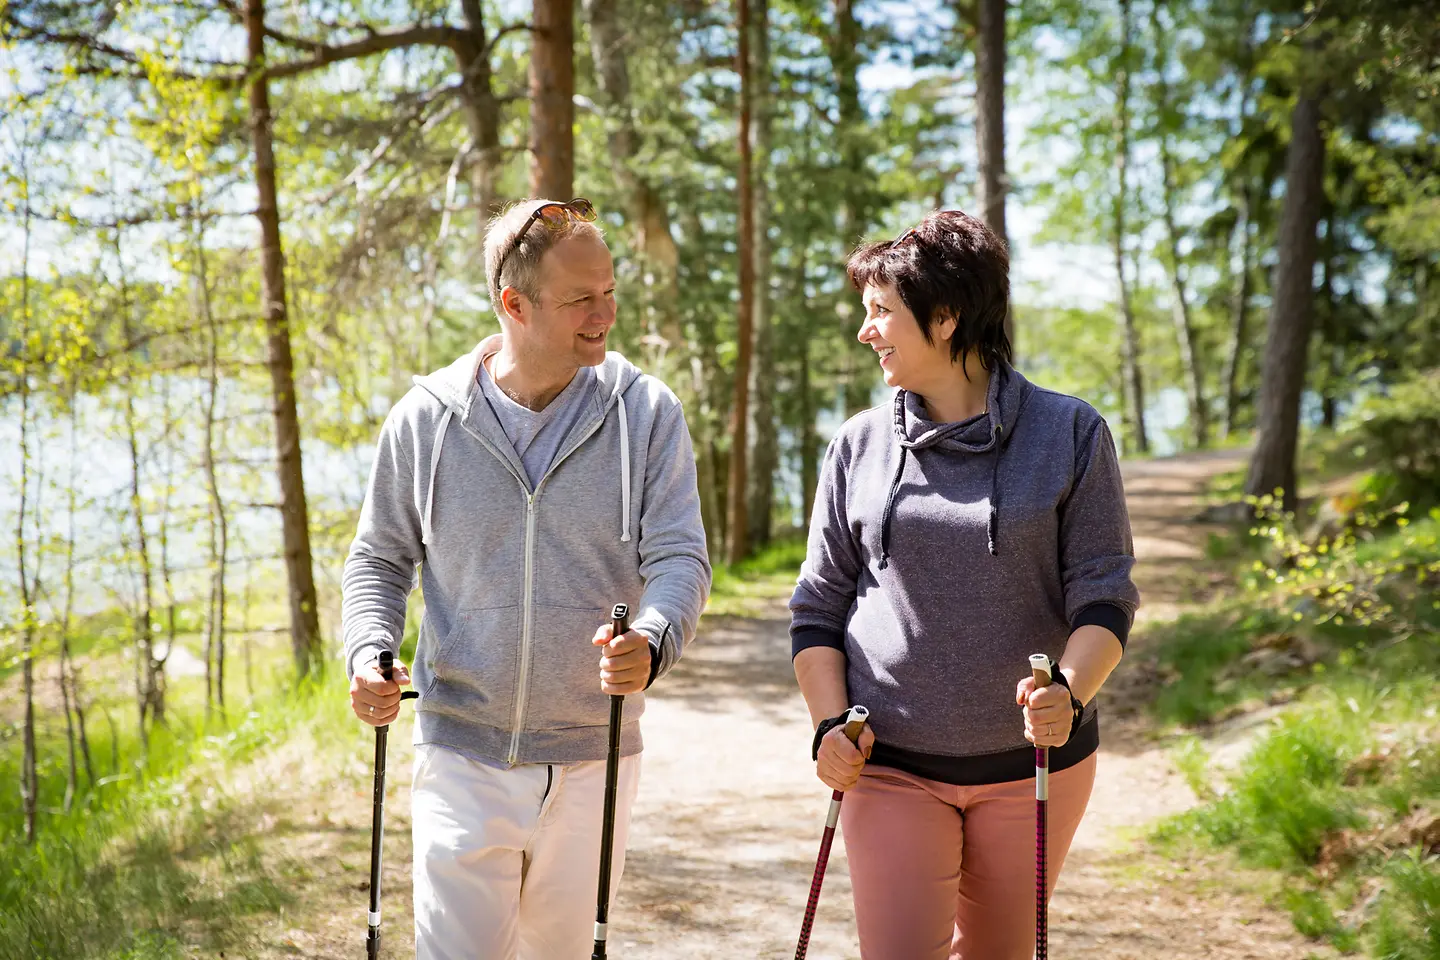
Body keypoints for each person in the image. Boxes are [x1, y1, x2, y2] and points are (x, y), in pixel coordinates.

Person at [341, 198, 711, 960]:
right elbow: (378, 560)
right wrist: (366, 652)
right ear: (514, 304)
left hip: (595, 755)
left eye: (610, 291)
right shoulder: (425, 420)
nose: (606, 313)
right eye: (582, 298)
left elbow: (679, 555)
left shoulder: (645, 413)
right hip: (462, 753)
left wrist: (653, 637)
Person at [789, 209, 1140, 960]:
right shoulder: (858, 445)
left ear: (945, 318)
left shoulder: (1071, 434)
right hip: (890, 764)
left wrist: (1070, 694)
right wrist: (826, 726)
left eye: (881, 311)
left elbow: (1105, 594)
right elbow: (817, 608)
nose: (866, 331)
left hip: (1036, 768)